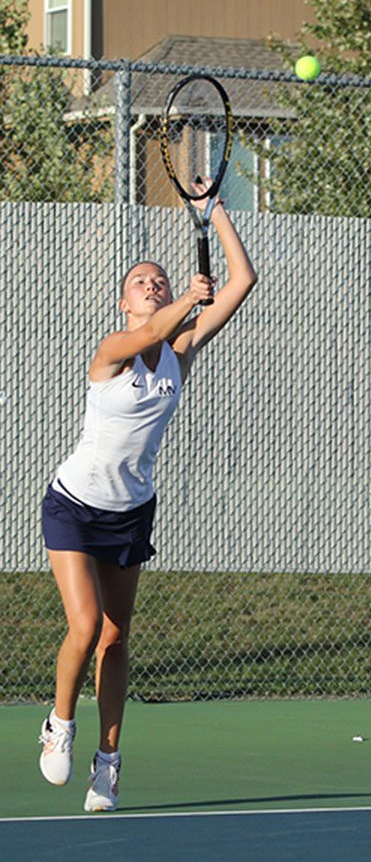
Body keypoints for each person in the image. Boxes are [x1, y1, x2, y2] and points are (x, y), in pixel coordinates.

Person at [38, 184, 257, 812]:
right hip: (75, 504)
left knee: (114, 636)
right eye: (142, 281)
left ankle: (108, 764)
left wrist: (213, 210)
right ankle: (59, 725)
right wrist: (189, 296)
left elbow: (242, 280)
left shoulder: (180, 354)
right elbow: (167, 320)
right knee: (82, 627)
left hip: (131, 510)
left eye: (160, 279)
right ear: (124, 301)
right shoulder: (110, 352)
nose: (153, 283)